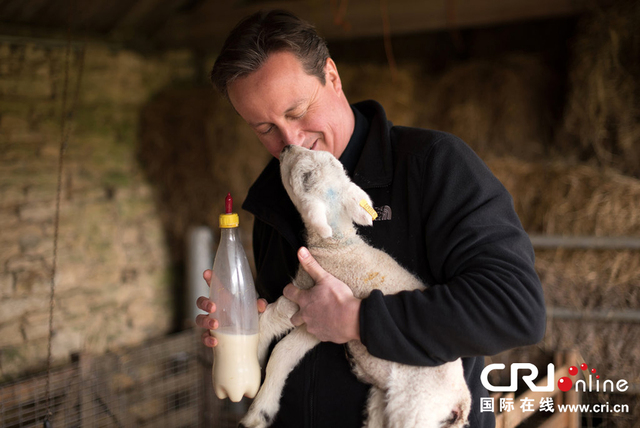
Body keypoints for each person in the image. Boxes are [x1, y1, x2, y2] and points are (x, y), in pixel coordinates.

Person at [195, 9, 546, 428]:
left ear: (332, 76)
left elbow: (516, 308)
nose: (291, 141)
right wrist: (246, 328)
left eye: (297, 111)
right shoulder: (272, 198)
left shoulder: (433, 166)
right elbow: (296, 325)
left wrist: (359, 320)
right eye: (265, 127)